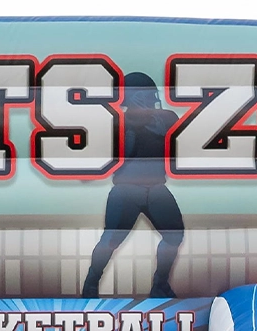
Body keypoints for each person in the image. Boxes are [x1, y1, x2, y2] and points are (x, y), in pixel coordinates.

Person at [79, 72, 186, 299]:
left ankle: (160, 284)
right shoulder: (121, 121)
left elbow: (178, 132)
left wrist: (160, 130)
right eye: (144, 96)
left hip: (156, 187)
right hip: (126, 190)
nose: (150, 100)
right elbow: (117, 154)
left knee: (175, 235)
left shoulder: (165, 118)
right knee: (111, 240)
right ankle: (91, 283)